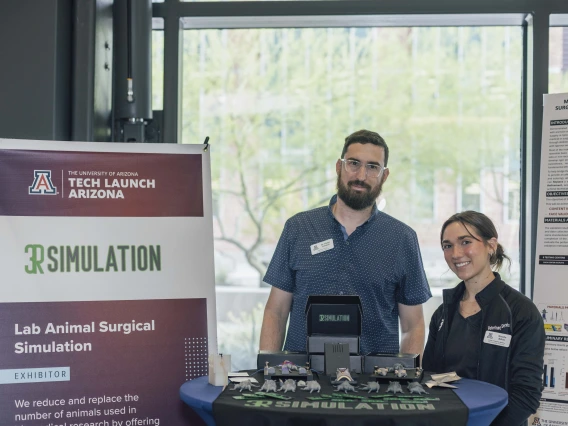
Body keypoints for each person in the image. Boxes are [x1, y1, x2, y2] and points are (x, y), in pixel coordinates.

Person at [259, 129, 432, 355]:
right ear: (339, 167)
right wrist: (268, 370)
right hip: (301, 380)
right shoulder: (299, 228)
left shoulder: (402, 239)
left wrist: (404, 379)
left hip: (374, 383)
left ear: (384, 175)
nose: (361, 175)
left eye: (372, 167)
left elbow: (413, 326)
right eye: (353, 163)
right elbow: (276, 312)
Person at [423, 211, 545, 426]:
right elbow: (430, 379)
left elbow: (526, 394)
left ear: (491, 245)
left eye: (466, 242)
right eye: (447, 246)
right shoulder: (443, 313)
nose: (456, 253)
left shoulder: (521, 311)